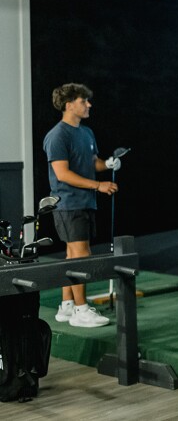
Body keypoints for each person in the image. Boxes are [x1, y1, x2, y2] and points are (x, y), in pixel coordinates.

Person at [44, 83, 121, 328]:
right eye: (83, 101)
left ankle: (67, 306)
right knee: (81, 256)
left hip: (84, 203)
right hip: (68, 204)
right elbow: (63, 174)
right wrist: (98, 186)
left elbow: (92, 163)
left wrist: (107, 165)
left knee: (72, 255)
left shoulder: (86, 133)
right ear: (69, 105)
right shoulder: (57, 135)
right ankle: (81, 310)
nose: (89, 105)